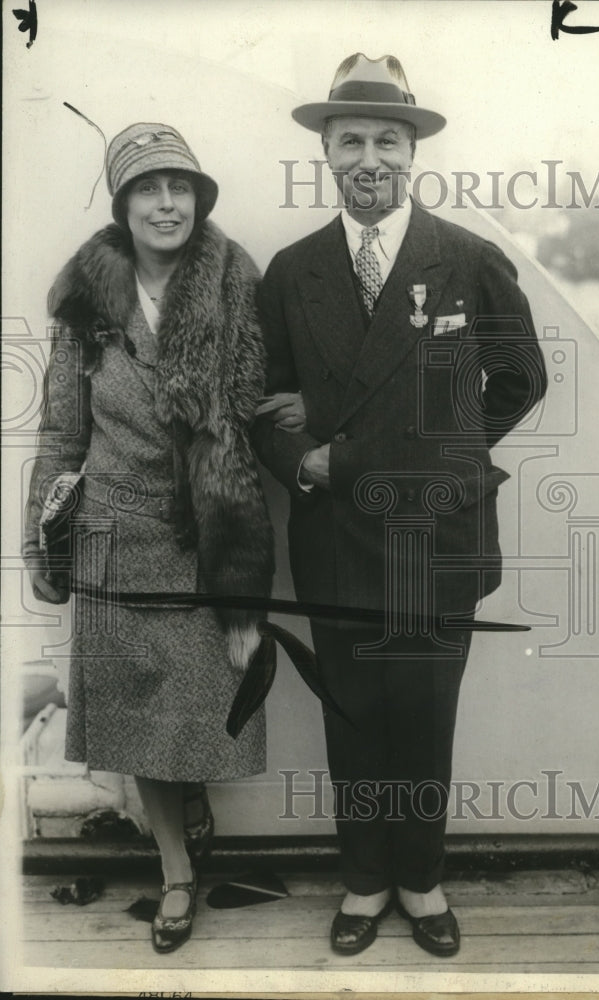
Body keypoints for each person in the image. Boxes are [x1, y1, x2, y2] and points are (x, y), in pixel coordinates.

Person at [253, 54, 548, 957]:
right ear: (325, 152)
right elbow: (262, 405)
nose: (369, 159)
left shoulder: (466, 257)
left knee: (423, 716)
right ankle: (364, 880)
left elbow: (520, 381)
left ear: (411, 152)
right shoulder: (291, 270)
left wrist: (418, 456)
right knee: (352, 717)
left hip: (437, 533)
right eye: (351, 141)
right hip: (335, 537)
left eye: (387, 140)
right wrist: (304, 464)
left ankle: (421, 881)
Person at [23, 123, 302, 953]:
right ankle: (177, 873)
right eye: (148, 189)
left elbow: (266, 398)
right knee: (140, 710)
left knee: (202, 703)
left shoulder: (238, 282)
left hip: (211, 529)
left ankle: (186, 801)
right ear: (123, 205)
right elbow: (61, 432)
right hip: (116, 536)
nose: (167, 204)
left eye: (181, 188)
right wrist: (45, 542)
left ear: (199, 200)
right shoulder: (86, 301)